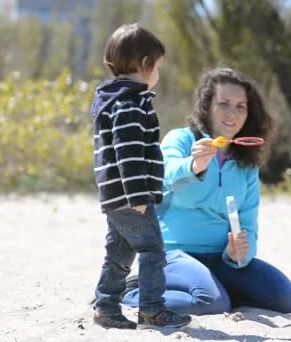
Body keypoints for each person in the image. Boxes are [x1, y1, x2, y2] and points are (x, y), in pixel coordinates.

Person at [122, 67, 291, 315]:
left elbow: (248, 225)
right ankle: (133, 291)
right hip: (173, 253)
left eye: (240, 106)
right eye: (223, 104)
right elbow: (163, 177)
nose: (232, 114)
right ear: (206, 106)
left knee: (284, 299)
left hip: (220, 260)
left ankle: (214, 289)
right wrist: (193, 166)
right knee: (212, 302)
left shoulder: (246, 164)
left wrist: (238, 254)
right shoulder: (181, 140)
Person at [90, 23, 191, 329]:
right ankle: (151, 308)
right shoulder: (130, 104)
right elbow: (129, 154)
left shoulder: (114, 99)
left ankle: (106, 307)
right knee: (152, 250)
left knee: (119, 254)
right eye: (157, 67)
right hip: (130, 196)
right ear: (145, 65)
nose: (158, 74)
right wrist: (138, 196)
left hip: (114, 196)